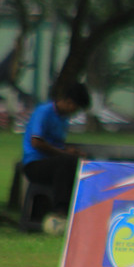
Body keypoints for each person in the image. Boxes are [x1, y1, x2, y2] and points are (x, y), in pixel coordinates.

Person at [21, 82, 91, 218]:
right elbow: (36, 142)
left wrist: (70, 151)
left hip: (53, 163)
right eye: (76, 109)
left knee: (76, 163)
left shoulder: (63, 119)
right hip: (34, 164)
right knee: (66, 162)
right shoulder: (43, 112)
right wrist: (64, 154)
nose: (74, 113)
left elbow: (55, 144)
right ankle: (60, 210)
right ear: (69, 102)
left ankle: (77, 209)